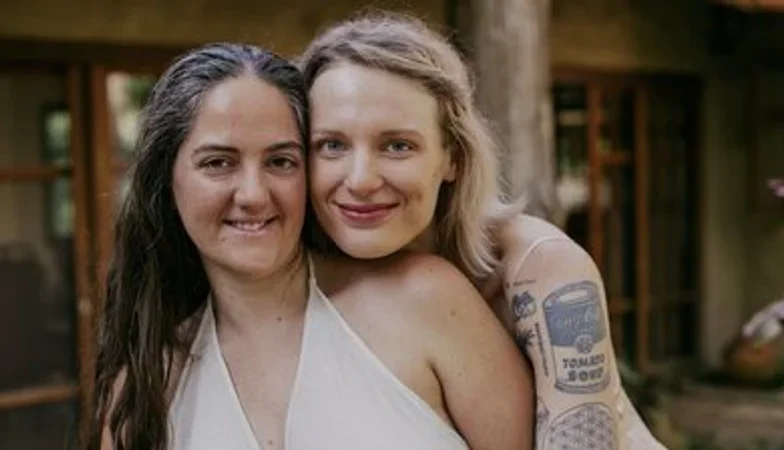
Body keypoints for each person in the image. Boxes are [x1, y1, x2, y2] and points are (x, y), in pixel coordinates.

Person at [87, 42, 532, 450]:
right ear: (167, 181)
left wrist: (546, 254)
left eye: (281, 161)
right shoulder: (144, 390)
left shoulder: (425, 300)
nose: (253, 194)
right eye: (218, 162)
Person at [298, 11, 667, 450]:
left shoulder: (539, 266)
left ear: (452, 158)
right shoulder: (297, 282)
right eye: (332, 145)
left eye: (398, 146)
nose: (360, 179)